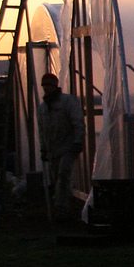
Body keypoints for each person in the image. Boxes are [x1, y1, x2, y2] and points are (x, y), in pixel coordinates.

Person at [38, 72, 84, 220]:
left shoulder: (68, 102)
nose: (47, 89)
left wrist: (78, 141)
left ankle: (61, 207)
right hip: (53, 148)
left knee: (63, 174)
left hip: (68, 146)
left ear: (55, 85)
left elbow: (77, 122)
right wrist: (44, 148)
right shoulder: (43, 108)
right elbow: (42, 129)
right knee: (56, 176)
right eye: (45, 86)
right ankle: (61, 205)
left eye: (49, 86)